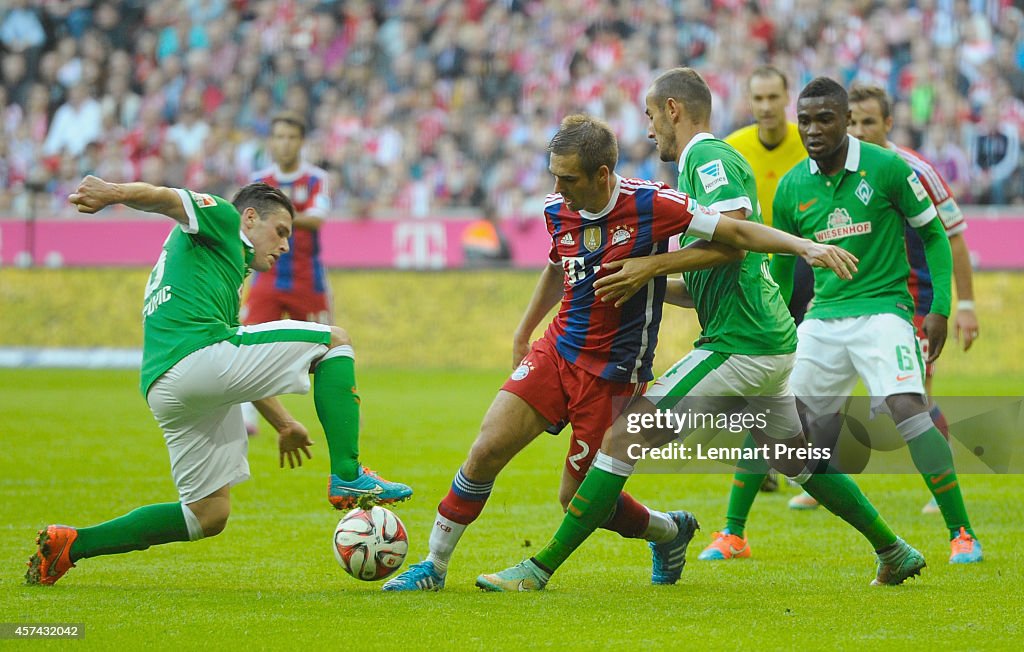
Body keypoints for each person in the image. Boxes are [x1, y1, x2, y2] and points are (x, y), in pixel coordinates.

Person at [475, 69, 925, 592]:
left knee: (624, 434)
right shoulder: (699, 165)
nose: (647, 130)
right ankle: (895, 551)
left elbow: (734, 241)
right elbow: (711, 274)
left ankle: (537, 570)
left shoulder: (706, 158)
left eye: (649, 115)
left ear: (672, 110)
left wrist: (652, 268)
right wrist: (635, 278)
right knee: (796, 460)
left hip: (743, 343)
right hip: (765, 339)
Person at [382, 113, 856, 593]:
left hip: (613, 373)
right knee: (485, 449)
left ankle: (669, 531)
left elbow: (737, 235)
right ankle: (433, 567)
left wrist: (804, 247)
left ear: (601, 175)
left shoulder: (654, 204)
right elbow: (557, 266)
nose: (558, 188)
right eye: (554, 176)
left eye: (568, 178)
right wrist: (524, 330)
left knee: (576, 498)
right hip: (557, 350)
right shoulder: (556, 209)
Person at [25, 176, 410, 586]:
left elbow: (237, 369)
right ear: (249, 218)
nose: (284, 246)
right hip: (196, 356)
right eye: (280, 232)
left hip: (166, 385)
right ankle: (347, 473)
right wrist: (113, 194)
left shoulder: (218, 272)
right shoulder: (223, 218)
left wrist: (283, 423)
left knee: (208, 514)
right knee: (334, 341)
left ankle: (72, 546)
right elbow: (169, 198)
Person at [769, 78, 981, 563]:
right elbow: (781, 271)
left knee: (909, 406)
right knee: (780, 418)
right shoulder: (792, 185)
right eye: (804, 120)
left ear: (848, 121)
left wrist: (944, 307)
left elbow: (939, 236)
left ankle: (962, 533)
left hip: (886, 308)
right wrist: (773, 329)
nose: (813, 129)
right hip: (822, 316)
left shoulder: (892, 168)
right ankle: (733, 533)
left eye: (825, 118)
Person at [724, 65, 809, 493]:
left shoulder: (808, 143)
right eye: (757, 98)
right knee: (756, 370)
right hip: (755, 276)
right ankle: (771, 458)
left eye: (773, 97)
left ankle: (789, 456)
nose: (765, 107)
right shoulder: (733, 148)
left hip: (805, 269)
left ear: (786, 97)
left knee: (798, 369)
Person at [240, 111, 332, 436]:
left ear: (301, 142)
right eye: (279, 137)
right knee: (247, 345)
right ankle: (247, 419)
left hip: (308, 279)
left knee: (327, 351)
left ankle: (340, 411)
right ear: (271, 141)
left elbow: (318, 218)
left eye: (292, 137)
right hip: (267, 277)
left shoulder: (317, 178)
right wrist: (297, 213)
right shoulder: (260, 179)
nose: (285, 143)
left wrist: (276, 214)